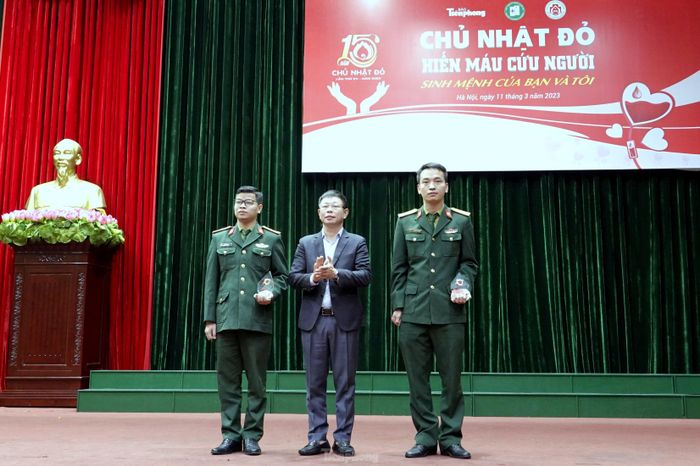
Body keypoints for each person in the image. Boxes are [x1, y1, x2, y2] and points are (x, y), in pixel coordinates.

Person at [390, 163, 478, 460]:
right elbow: (399, 269)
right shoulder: (405, 222)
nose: (431, 186)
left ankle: (451, 438)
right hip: (413, 311)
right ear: (418, 188)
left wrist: (462, 282)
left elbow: (469, 263)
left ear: (446, 186)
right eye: (426, 181)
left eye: (437, 181)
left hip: (449, 311)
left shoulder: (461, 221)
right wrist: (398, 306)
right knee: (418, 380)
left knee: (451, 380)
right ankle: (426, 437)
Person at [203, 186, 288, 456]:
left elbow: (282, 276)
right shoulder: (220, 238)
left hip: (257, 318)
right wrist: (209, 319)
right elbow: (211, 281)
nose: (242, 206)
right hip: (226, 318)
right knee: (227, 382)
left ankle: (252, 435)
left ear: (259, 208)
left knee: (256, 383)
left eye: (248, 202)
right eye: (238, 202)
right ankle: (230, 435)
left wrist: (271, 293)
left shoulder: (271, 239)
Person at [289, 189, 372, 457]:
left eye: (335, 206)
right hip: (314, 322)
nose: (329, 210)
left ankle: (343, 438)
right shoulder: (306, 243)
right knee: (314, 384)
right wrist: (313, 277)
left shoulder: (356, 242)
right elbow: (293, 276)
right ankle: (316, 438)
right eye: (324, 206)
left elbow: (365, 275)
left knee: (345, 383)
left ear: (345, 212)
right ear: (318, 212)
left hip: (343, 321)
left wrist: (337, 274)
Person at [25, 138, 106, 210]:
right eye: (57, 153)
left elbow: (98, 220)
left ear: (78, 159)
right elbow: (27, 220)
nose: (60, 157)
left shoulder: (92, 191)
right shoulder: (38, 191)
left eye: (67, 153)